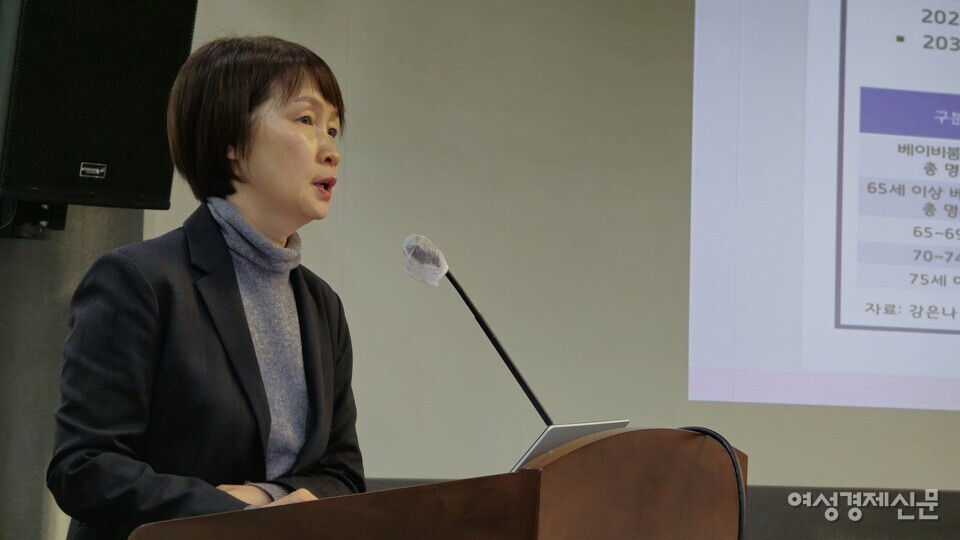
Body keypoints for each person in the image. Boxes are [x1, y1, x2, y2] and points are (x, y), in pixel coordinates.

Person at [46, 36, 364, 540]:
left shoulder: (322, 306)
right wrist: (232, 513)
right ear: (230, 143)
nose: (331, 151)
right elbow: (85, 467)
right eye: (306, 120)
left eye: (332, 129)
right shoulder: (139, 281)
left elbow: (343, 476)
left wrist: (263, 501)